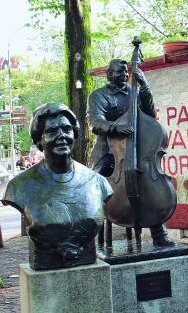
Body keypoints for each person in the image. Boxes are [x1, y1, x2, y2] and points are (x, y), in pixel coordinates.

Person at [2, 103, 112, 269]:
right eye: (51, 131)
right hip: (44, 263)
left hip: (87, 259)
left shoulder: (98, 182)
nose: (61, 136)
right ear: (39, 140)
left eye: (67, 129)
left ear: (74, 134)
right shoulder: (19, 187)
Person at [87, 59, 174, 246]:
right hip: (109, 149)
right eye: (119, 72)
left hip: (137, 148)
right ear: (109, 74)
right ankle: (89, 233)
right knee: (96, 181)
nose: (125, 75)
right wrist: (114, 127)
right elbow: (94, 122)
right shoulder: (98, 96)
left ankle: (158, 233)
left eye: (126, 72)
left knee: (148, 184)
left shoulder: (134, 92)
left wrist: (145, 88)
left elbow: (150, 115)